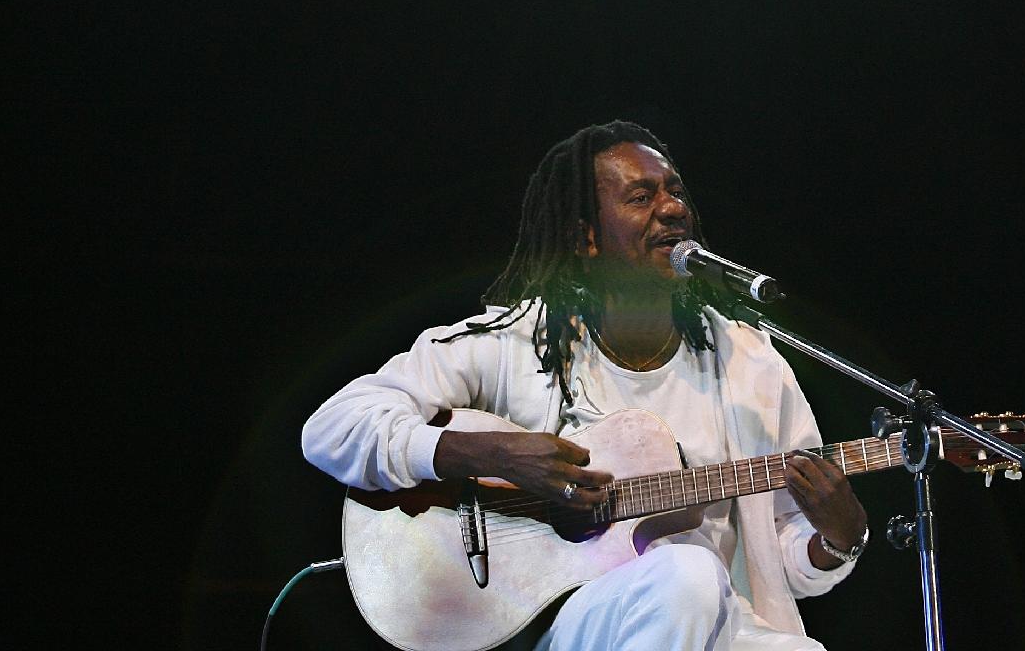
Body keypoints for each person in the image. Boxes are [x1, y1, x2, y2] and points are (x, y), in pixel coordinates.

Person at [303, 120, 869, 650]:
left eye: (675, 191)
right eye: (642, 197)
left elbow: (788, 562)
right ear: (585, 239)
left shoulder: (751, 365)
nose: (672, 209)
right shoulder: (515, 342)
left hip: (723, 625)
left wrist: (835, 539)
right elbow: (331, 430)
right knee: (685, 575)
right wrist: (492, 452)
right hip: (570, 625)